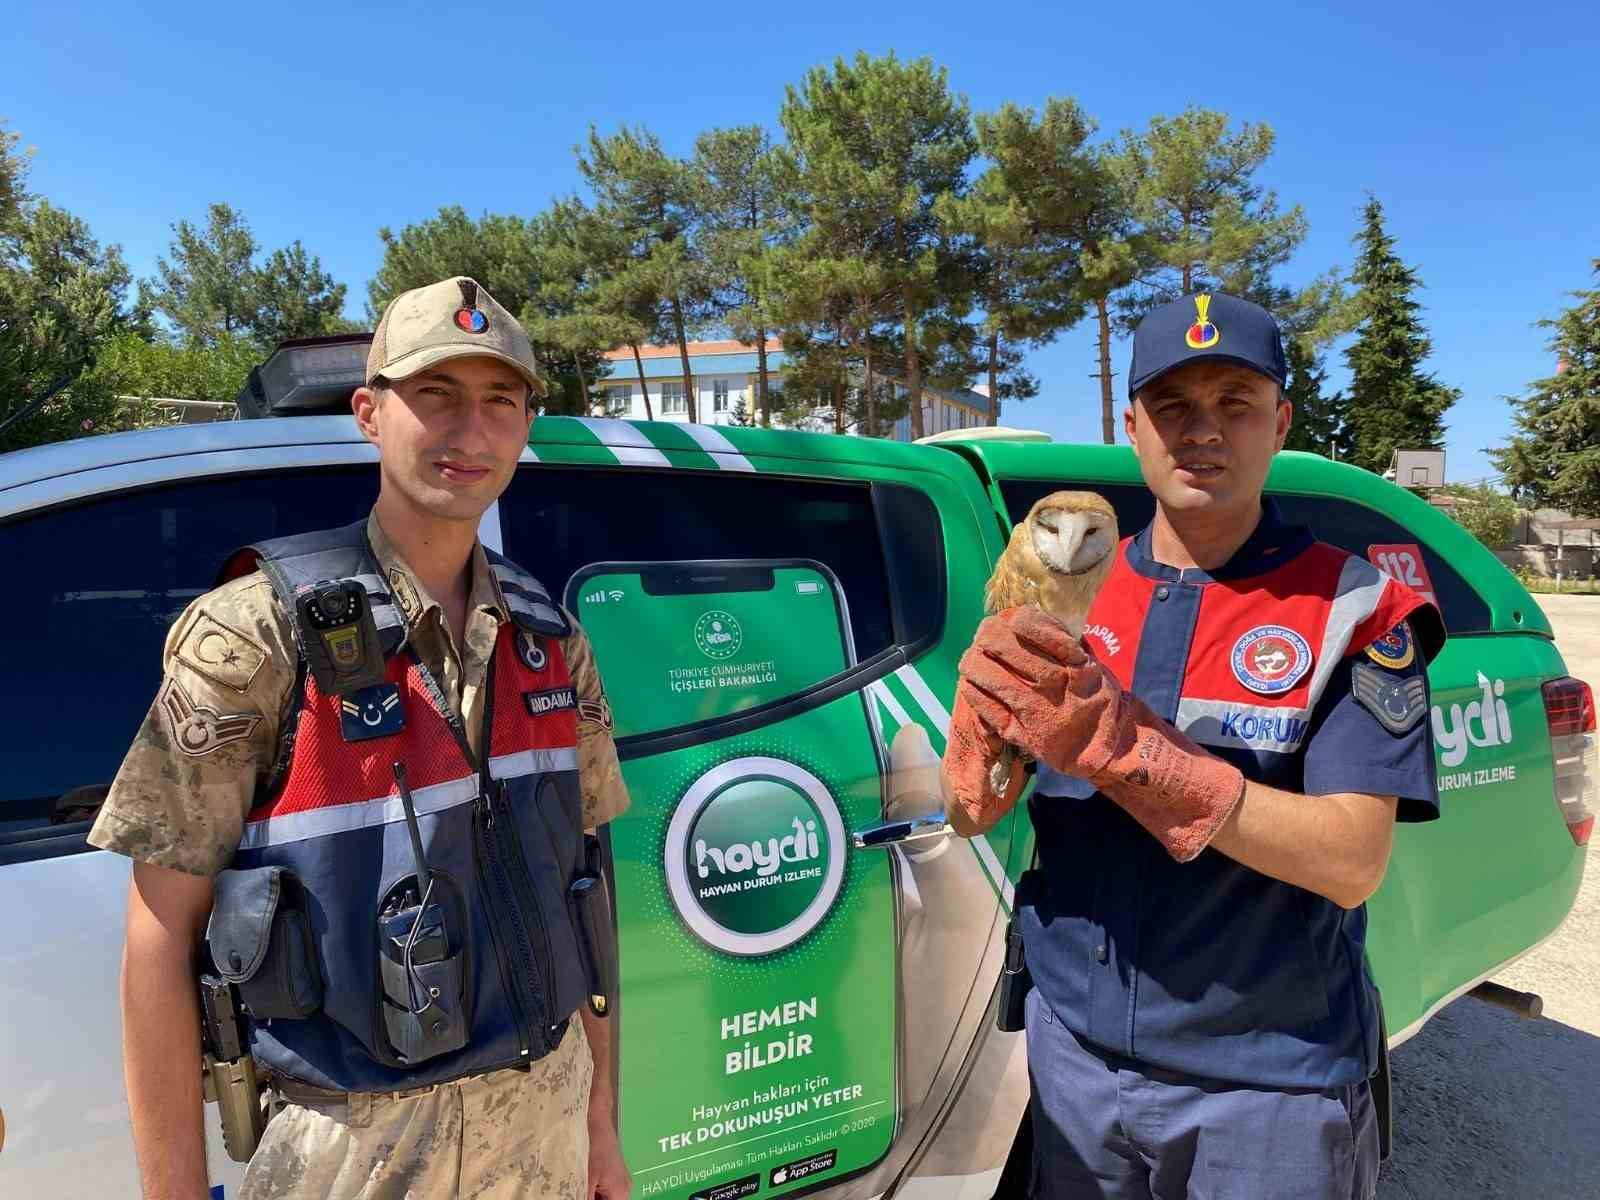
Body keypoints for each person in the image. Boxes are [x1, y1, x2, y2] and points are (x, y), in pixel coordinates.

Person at [89, 277, 633, 1200]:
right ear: (369, 414)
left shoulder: (551, 641)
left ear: (526, 425)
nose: (470, 431)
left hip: (545, 1117)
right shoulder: (257, 635)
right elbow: (158, 933)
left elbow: (586, 894)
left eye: (500, 400)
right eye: (436, 394)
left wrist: (600, 1128)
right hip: (351, 1145)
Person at [942, 292, 1443, 1199]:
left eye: (1235, 403)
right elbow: (980, 809)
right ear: (1132, 427)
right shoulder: (1071, 587)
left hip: (1267, 1082)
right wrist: (976, 755)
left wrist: (1137, 755)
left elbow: (1351, 862)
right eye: (1172, 405)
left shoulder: (1355, 607)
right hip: (1074, 1054)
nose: (1202, 430)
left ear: (1280, 422)